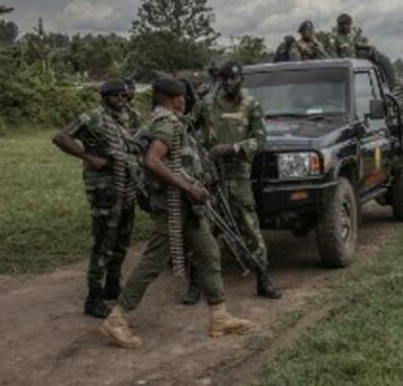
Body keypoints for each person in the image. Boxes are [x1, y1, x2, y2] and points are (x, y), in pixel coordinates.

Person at [99, 78, 254, 349]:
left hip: (184, 206)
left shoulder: (162, 120)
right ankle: (117, 319)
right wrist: (188, 186)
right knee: (153, 262)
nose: (185, 101)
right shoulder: (167, 124)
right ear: (174, 99)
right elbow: (152, 160)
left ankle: (219, 316)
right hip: (173, 204)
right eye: (182, 97)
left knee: (208, 252)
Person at [186, 62, 280, 304]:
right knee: (201, 228)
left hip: (238, 175)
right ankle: (194, 285)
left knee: (249, 226)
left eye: (233, 79)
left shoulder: (251, 104)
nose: (228, 83)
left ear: (241, 79)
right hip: (209, 177)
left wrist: (233, 148)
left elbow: (260, 140)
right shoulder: (206, 104)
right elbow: (187, 128)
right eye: (225, 79)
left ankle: (263, 279)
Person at [52, 79, 141, 319]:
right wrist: (89, 157)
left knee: (123, 238)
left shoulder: (129, 117)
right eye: (116, 96)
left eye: (124, 96)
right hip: (104, 188)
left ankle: (113, 284)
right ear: (104, 98)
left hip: (127, 185)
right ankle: (93, 297)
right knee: (103, 241)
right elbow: (61, 138)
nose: (122, 100)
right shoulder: (92, 118)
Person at [331, 13, 396, 86]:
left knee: (381, 58)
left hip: (355, 59)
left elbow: (358, 45)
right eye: (345, 25)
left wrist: (370, 47)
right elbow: (334, 56)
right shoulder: (336, 39)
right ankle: (390, 81)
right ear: (341, 26)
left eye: (348, 24)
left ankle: (391, 81)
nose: (347, 27)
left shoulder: (350, 37)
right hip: (347, 63)